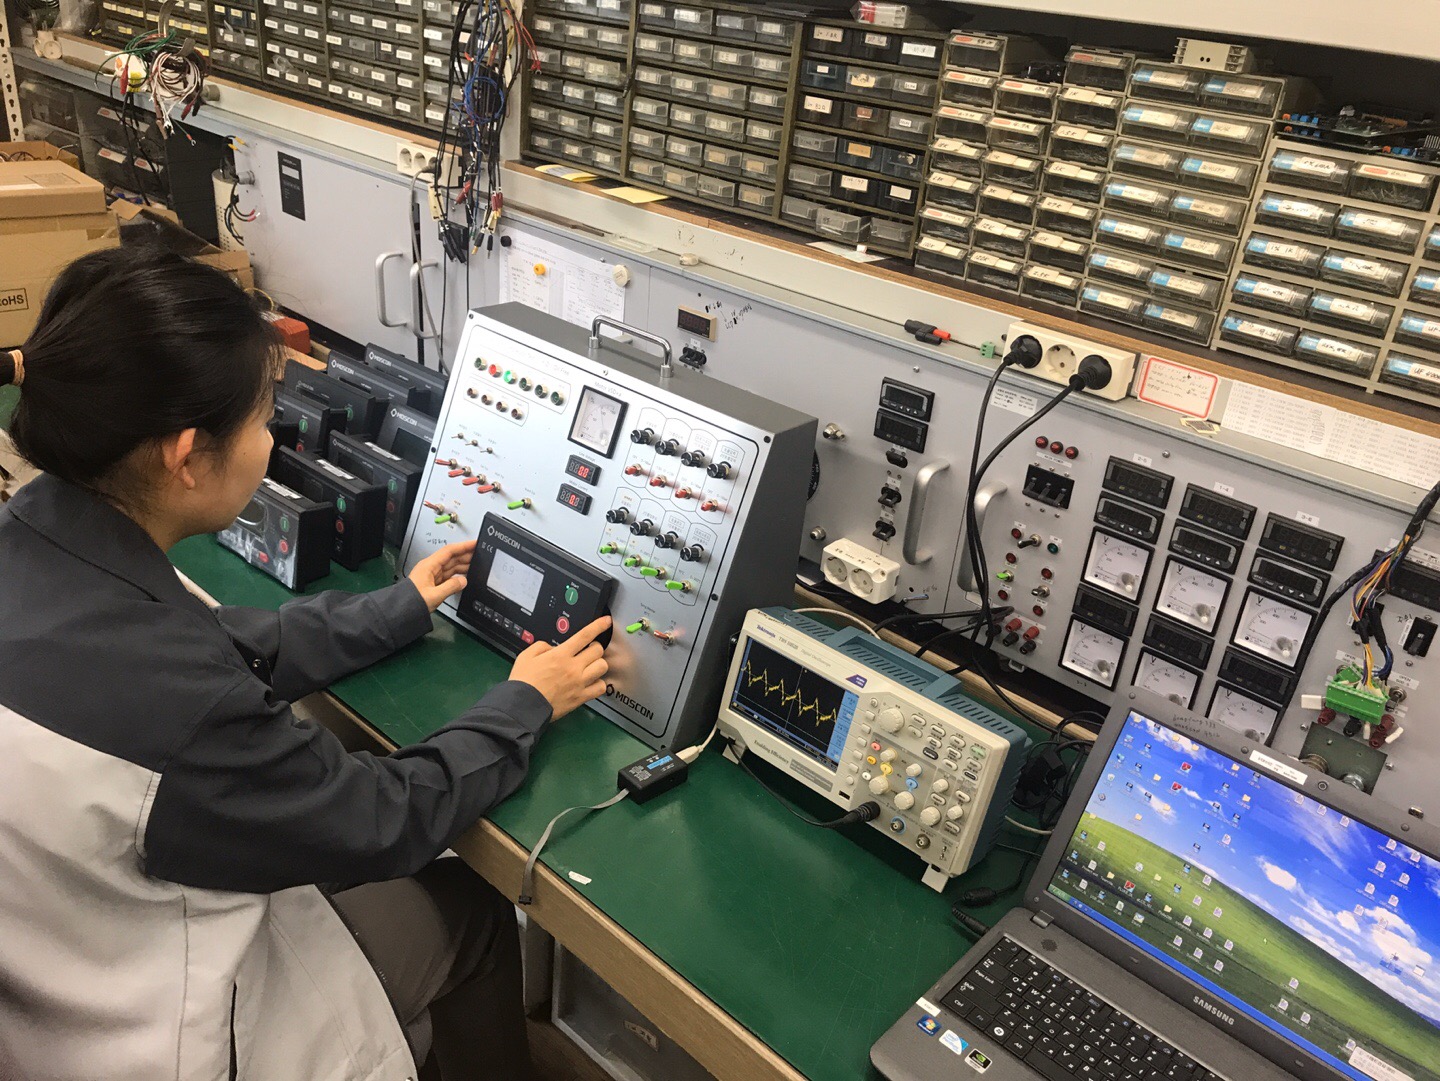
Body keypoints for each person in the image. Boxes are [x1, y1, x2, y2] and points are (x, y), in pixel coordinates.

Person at [0, 248, 611, 1081]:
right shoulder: (182, 708)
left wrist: (399, 605)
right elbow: (384, 817)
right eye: (263, 420)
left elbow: (226, 642)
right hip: (173, 1035)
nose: (273, 438)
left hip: (55, 988)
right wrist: (523, 702)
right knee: (470, 911)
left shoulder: (35, 532)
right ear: (186, 455)